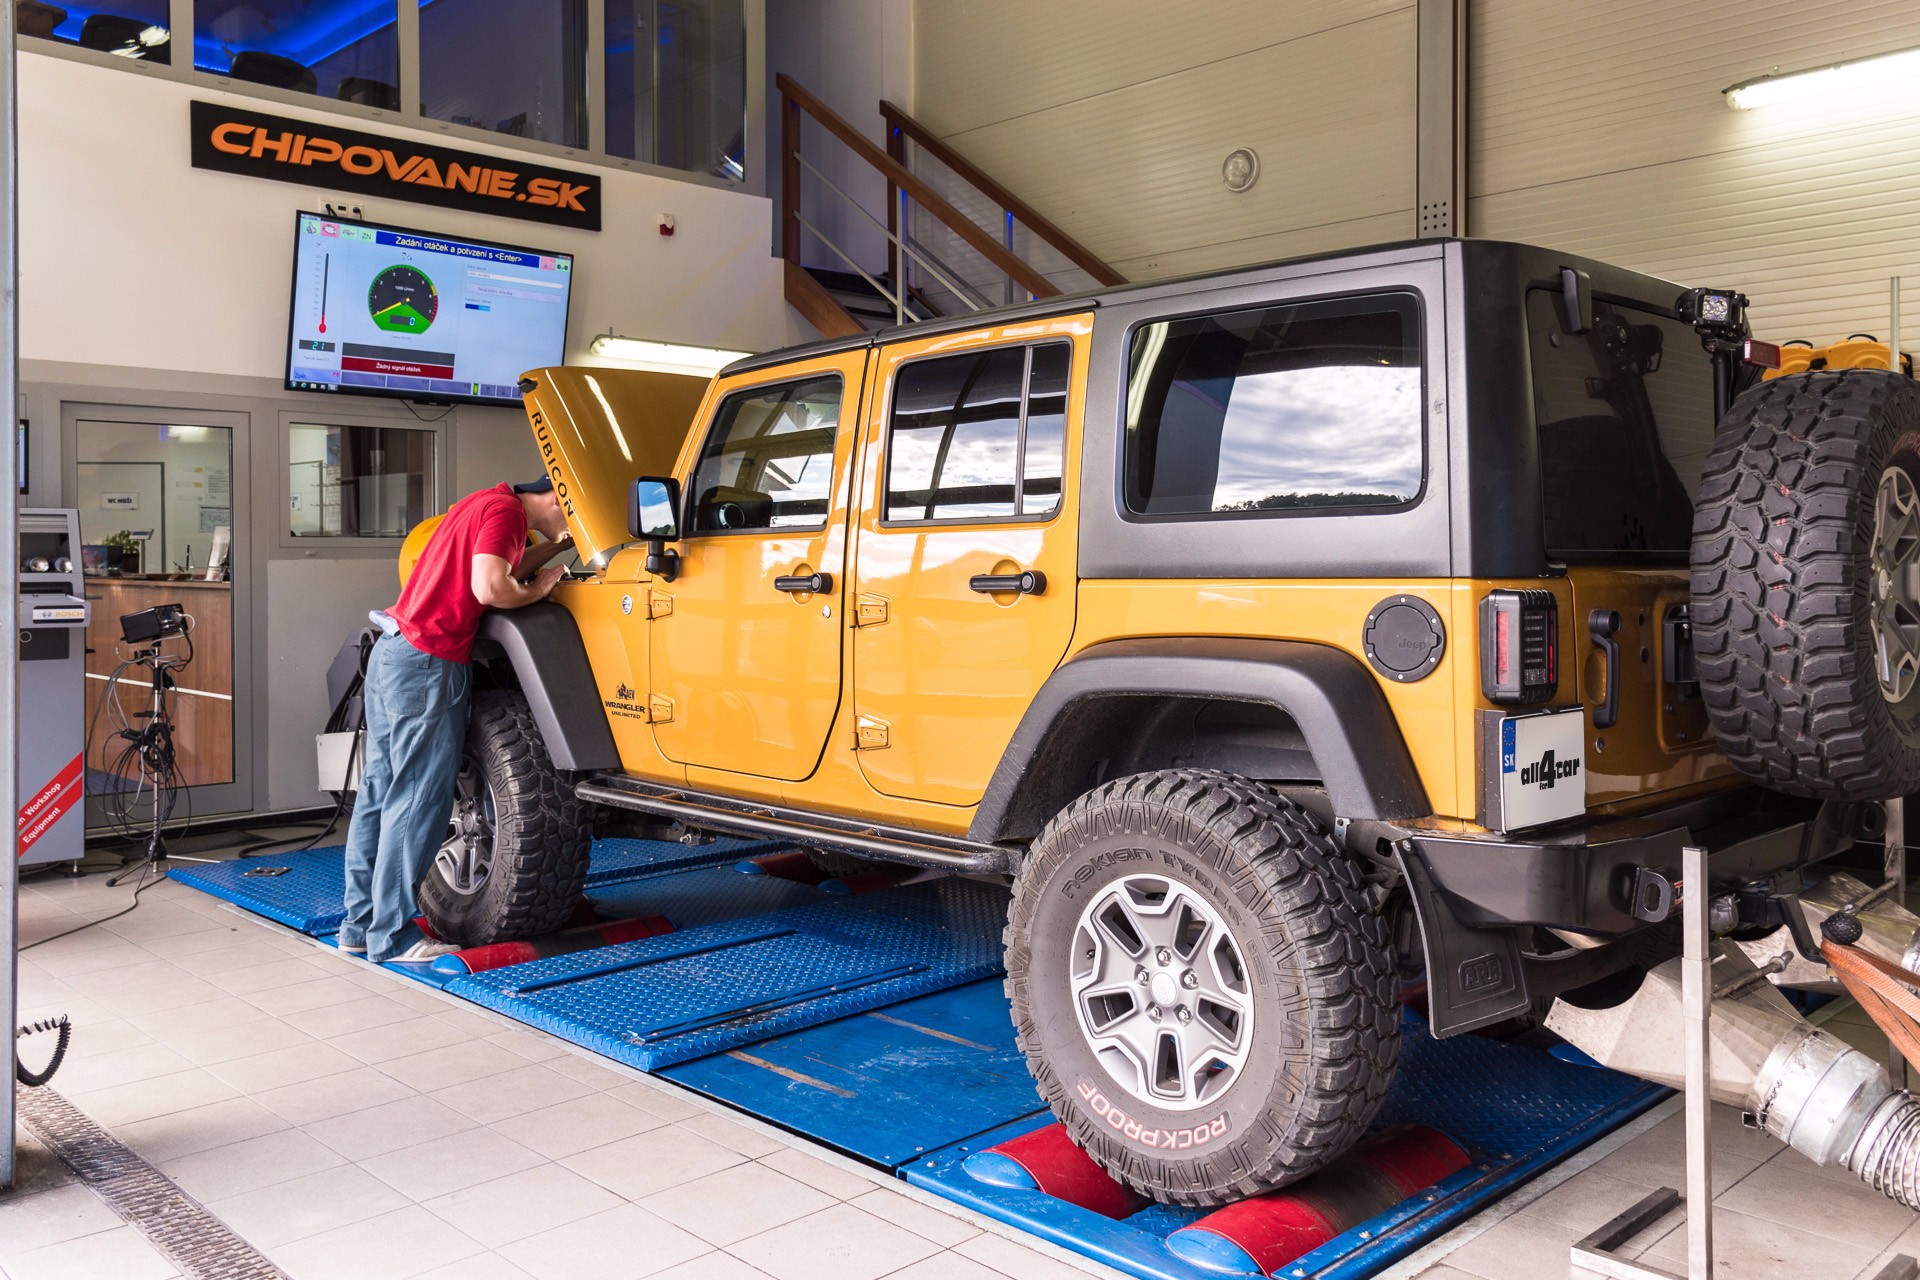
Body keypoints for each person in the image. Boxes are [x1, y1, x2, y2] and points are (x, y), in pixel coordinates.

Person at [339, 477, 573, 963]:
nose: (565, 527)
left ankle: (358, 927)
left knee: (380, 795)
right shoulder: (508, 515)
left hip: (393, 652)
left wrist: (551, 554)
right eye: (568, 516)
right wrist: (540, 590)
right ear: (555, 497)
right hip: (428, 664)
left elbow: (499, 566)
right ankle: (392, 936)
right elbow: (489, 585)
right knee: (417, 799)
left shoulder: (485, 502)